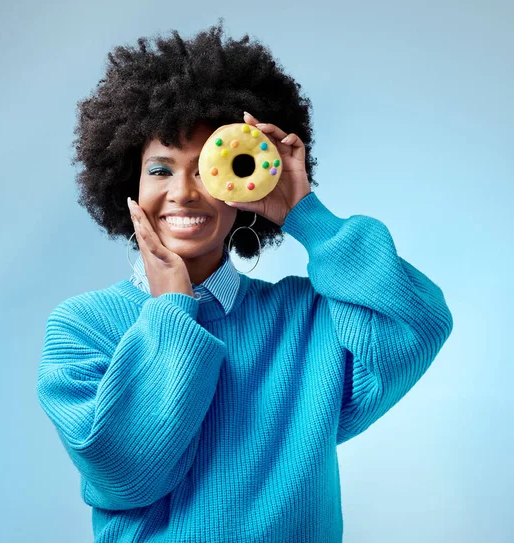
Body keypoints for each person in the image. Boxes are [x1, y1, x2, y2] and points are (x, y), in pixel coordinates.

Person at [35, 20, 454, 543]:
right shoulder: (81, 327)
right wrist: (171, 311)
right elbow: (126, 474)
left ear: (245, 181)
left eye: (209, 170)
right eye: (161, 170)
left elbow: (418, 325)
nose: (184, 194)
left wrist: (306, 216)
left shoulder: (307, 317)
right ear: (127, 182)